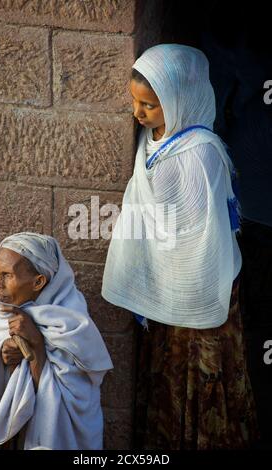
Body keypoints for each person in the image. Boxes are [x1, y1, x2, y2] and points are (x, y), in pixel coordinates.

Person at [101, 44, 258, 450]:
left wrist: (176, 276)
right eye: (135, 102)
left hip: (200, 294)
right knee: (169, 380)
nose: (138, 113)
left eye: (149, 105)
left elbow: (201, 240)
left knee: (203, 382)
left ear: (180, 100)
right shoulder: (154, 139)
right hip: (166, 294)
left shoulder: (200, 154)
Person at [0, 232, 113, 450]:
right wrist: (2, 352)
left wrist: (36, 345)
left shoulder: (72, 326)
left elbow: (70, 401)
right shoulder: (5, 316)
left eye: (6, 275)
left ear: (38, 282)